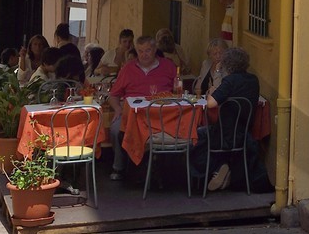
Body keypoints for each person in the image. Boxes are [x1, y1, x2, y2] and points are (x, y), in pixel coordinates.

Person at [106, 35, 178, 179]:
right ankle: (119, 167)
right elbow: (113, 95)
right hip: (132, 114)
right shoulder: (128, 68)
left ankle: (168, 170)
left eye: (148, 50)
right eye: (140, 51)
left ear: (155, 50)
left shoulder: (168, 66)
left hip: (162, 116)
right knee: (115, 129)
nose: (144, 54)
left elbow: (177, 91)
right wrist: (118, 109)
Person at [193, 46, 260, 192]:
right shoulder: (253, 80)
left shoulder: (229, 81)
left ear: (227, 64)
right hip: (245, 132)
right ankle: (224, 167)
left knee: (195, 136)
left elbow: (211, 103)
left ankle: (217, 167)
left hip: (224, 134)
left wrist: (212, 91)